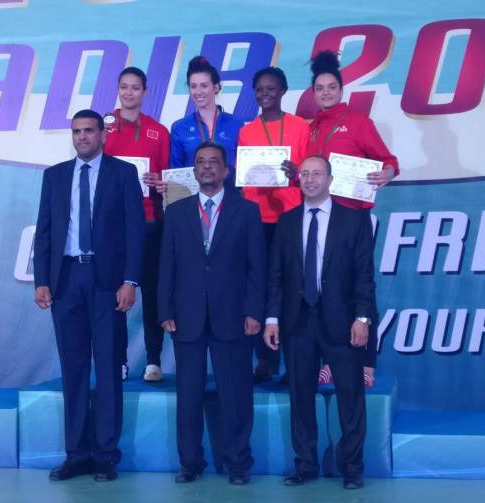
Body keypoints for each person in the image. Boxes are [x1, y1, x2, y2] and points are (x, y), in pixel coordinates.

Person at [33, 109, 145, 482]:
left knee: (109, 367)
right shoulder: (55, 176)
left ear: (102, 135)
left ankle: (106, 456)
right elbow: (45, 232)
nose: (82, 137)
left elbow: (135, 231)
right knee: (74, 369)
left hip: (108, 282)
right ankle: (76, 454)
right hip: (66, 281)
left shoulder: (123, 173)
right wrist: (42, 280)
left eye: (89, 131)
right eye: (76, 131)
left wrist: (130, 281)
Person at [264, 155, 376, 490]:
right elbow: (276, 276)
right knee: (300, 397)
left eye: (317, 174)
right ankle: (305, 465)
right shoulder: (287, 222)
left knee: (350, 396)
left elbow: (364, 276)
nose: (310, 179)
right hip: (297, 322)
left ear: (330, 179)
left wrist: (363, 318)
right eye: (305, 174)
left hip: (343, 321)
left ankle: (352, 468)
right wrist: (272, 318)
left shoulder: (354, 220)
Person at [158, 141, 266, 485]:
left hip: (233, 315)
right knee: (188, 396)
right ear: (194, 170)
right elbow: (167, 265)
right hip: (186, 316)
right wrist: (165, 309)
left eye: (213, 162)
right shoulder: (176, 212)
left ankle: (238, 463)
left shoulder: (246, 211)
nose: (207, 167)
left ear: (225, 170)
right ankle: (190, 462)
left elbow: (257, 267)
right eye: (201, 162)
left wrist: (254, 311)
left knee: (235, 394)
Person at [307, 50, 399, 385]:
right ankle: (331, 360)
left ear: (341, 89)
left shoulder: (359, 123)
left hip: (355, 217)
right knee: (325, 289)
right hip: (322, 219)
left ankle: (366, 363)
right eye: (320, 88)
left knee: (360, 286)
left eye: (331, 87)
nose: (326, 93)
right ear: (313, 92)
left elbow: (388, 160)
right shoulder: (311, 129)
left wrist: (387, 173)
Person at [237, 66, 310, 383]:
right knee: (261, 286)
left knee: (293, 287)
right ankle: (265, 359)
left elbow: (310, 170)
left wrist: (297, 171)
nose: (265, 94)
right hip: (257, 217)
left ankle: (294, 360)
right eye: (260, 89)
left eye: (271, 89)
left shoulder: (300, 127)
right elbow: (244, 177)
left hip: (290, 215)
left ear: (283, 91)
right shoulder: (247, 131)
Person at [103, 67, 170, 382]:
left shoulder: (159, 131)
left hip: (151, 222)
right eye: (124, 87)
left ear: (145, 92)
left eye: (135, 88)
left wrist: (160, 181)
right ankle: (119, 360)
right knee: (114, 295)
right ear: (118, 90)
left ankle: (154, 361)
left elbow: (169, 179)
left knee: (154, 295)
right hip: (114, 226)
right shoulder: (103, 127)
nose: (129, 93)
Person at [170, 56, 244, 187]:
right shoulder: (180, 127)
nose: (198, 92)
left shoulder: (236, 124)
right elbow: (175, 171)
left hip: (230, 195)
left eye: (204, 86)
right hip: (193, 196)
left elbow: (243, 168)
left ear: (216, 87)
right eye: (193, 86)